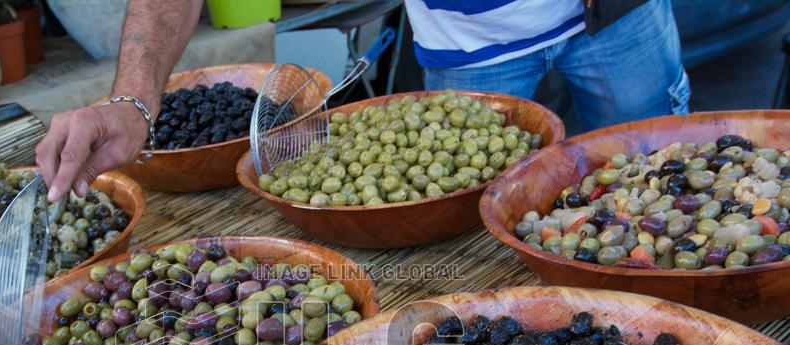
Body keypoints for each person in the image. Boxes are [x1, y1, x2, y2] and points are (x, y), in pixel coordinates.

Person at [37, 0, 689, 200]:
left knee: (657, 175)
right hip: (466, 41)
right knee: (479, 213)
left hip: (617, 16)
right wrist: (131, 100)